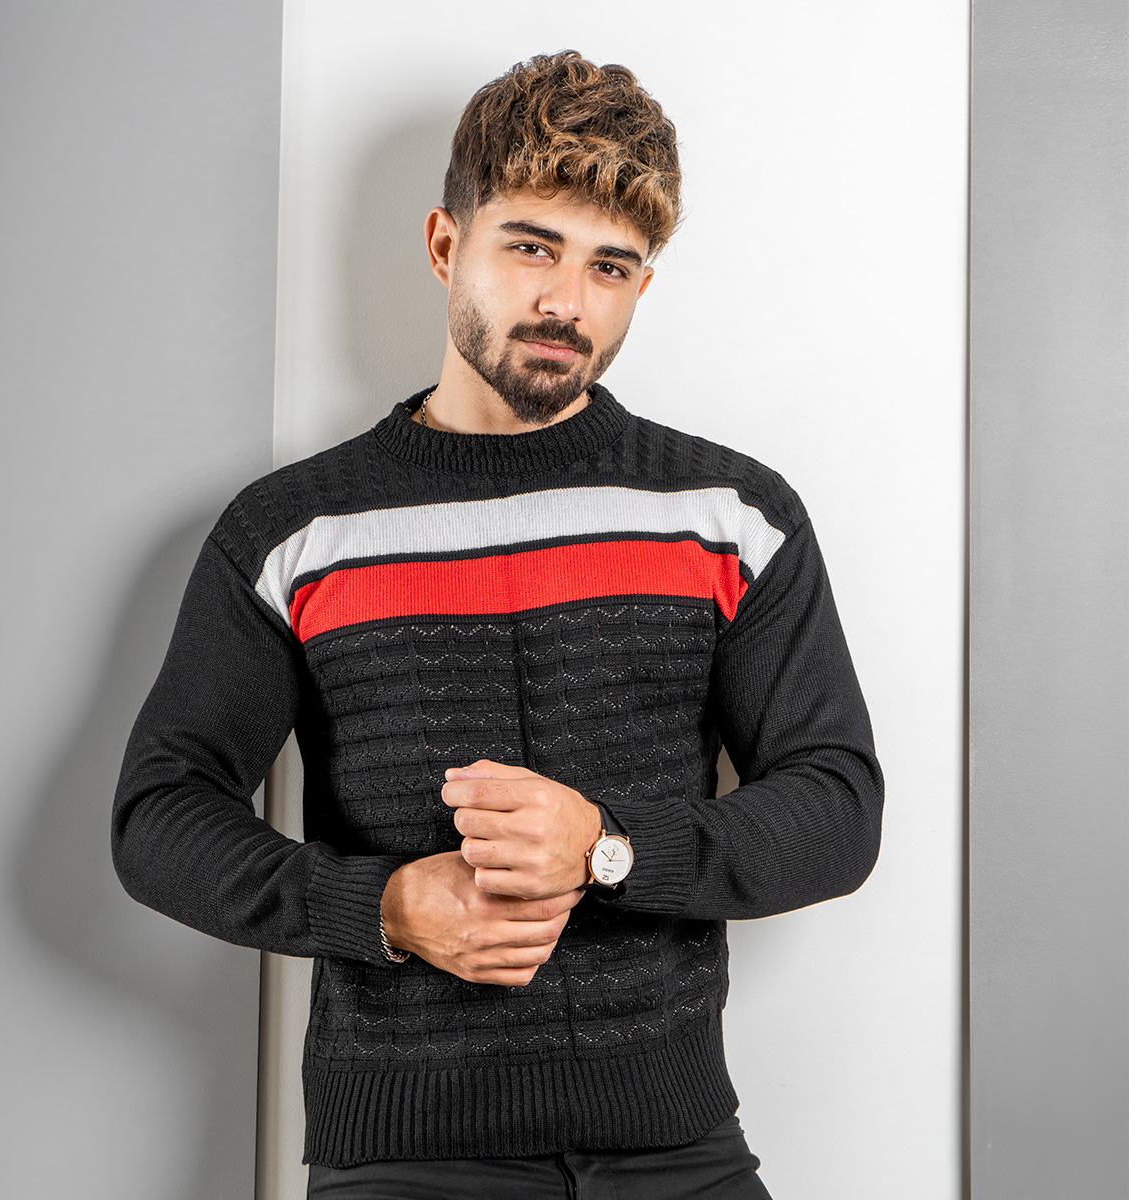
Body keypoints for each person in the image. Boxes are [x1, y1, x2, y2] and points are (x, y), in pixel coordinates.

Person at [113, 49, 883, 1199]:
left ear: (642, 287)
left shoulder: (731, 516)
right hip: (404, 1157)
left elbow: (837, 805)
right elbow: (160, 814)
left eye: (609, 266)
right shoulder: (294, 531)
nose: (566, 302)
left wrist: (609, 849)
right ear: (445, 245)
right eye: (531, 246)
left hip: (677, 1150)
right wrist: (381, 907)